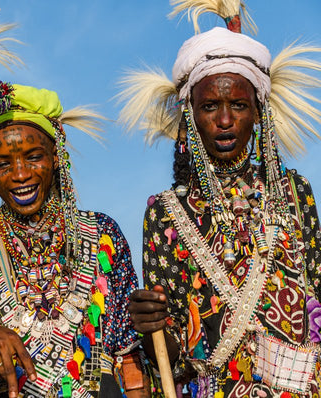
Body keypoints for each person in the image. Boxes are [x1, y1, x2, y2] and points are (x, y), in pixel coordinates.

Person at [117, 0, 321, 397]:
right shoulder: (165, 214)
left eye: (238, 105)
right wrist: (151, 326)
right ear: (190, 115)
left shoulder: (295, 194)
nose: (225, 121)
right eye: (210, 106)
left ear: (259, 112)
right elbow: (172, 358)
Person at [0, 81, 148, 398]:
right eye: (4, 163)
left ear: (56, 154)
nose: (20, 174)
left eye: (34, 156)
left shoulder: (102, 233)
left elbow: (130, 361)